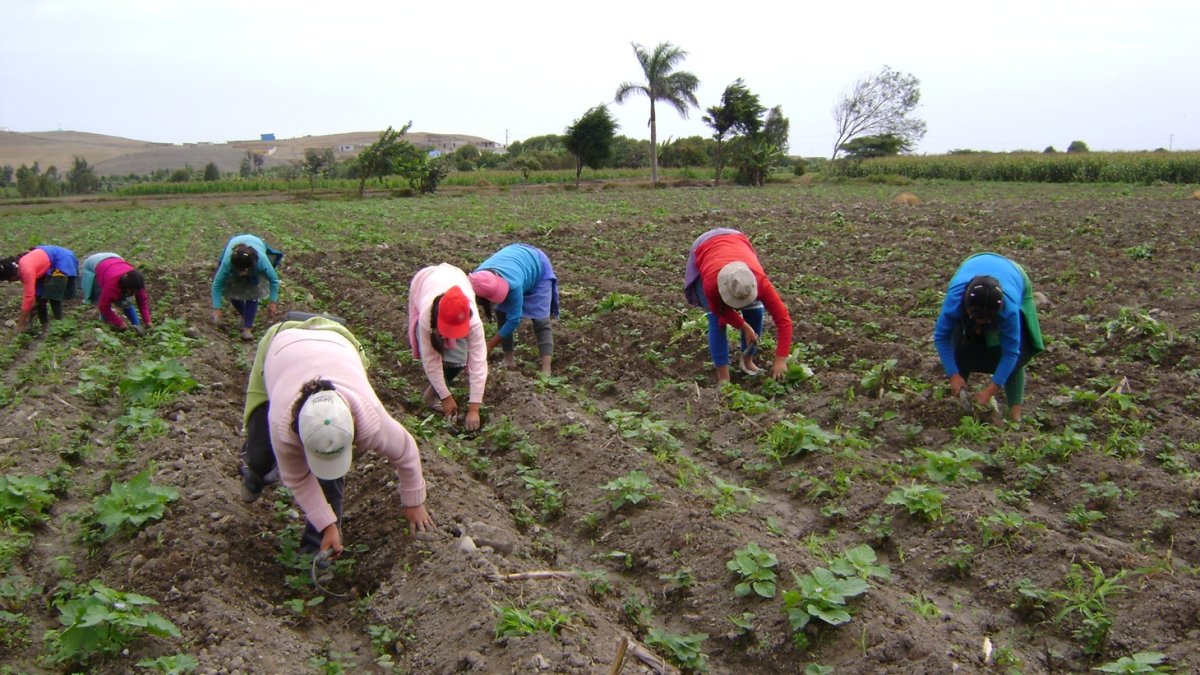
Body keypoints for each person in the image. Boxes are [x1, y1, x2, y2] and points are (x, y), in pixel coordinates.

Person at [238, 316, 434, 558]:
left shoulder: (370, 417)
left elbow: (406, 451)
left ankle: (315, 553)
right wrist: (327, 523)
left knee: (330, 478)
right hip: (281, 346)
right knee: (260, 454)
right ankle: (254, 475)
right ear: (297, 432)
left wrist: (413, 501)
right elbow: (298, 479)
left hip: (340, 342)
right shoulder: (282, 422)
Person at [933, 252, 1044, 422]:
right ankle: (960, 400)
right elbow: (942, 337)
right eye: (976, 317)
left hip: (1014, 274)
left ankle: (1016, 416)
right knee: (961, 344)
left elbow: (1011, 353)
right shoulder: (955, 299)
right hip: (973, 263)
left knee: (1018, 357)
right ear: (967, 307)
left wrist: (989, 391)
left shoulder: (1009, 309)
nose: (982, 322)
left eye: (987, 319)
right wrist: (953, 375)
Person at [684, 228, 793, 384]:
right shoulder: (710, 283)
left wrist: (781, 359)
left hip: (736, 240)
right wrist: (743, 326)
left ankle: (748, 360)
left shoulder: (759, 281)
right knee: (716, 322)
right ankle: (723, 377)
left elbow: (784, 320)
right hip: (705, 246)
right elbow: (720, 312)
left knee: (755, 312)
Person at [407, 263, 488, 431]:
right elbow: (431, 360)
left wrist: (474, 408)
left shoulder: (474, 322)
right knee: (436, 351)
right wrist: (445, 397)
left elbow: (478, 363)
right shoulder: (427, 315)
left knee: (457, 361)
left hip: (455, 279)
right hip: (427, 282)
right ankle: (434, 394)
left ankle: (431, 393)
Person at [468, 243, 560, 375]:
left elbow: (513, 320)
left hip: (537, 266)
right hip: (515, 262)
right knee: (501, 313)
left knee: (541, 322)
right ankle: (509, 359)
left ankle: (546, 370)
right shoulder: (477, 279)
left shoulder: (513, 285)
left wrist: (489, 346)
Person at [211, 234, 282, 340]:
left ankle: (247, 328)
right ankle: (244, 314)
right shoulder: (228, 262)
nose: (241, 274)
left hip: (255, 246)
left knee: (253, 295)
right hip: (236, 246)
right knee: (232, 291)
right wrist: (217, 308)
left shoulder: (261, 262)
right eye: (239, 270)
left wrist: (273, 302)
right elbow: (217, 284)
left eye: (244, 271)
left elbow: (274, 281)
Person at [0, 245, 79, 334]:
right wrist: (33, 306)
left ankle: (60, 324)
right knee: (39, 298)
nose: (10, 282)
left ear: (12, 274)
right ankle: (45, 327)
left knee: (53, 293)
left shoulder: (26, 270)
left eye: (9, 279)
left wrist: (21, 323)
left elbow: (28, 298)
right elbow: (32, 296)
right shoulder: (22, 270)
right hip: (44, 268)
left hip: (62, 259)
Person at [81, 252, 152, 334]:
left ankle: (136, 324)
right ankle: (105, 324)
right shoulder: (111, 286)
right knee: (100, 297)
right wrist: (119, 323)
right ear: (126, 286)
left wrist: (147, 321)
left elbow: (142, 301)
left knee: (126, 301)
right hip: (93, 263)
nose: (133, 293)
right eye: (131, 291)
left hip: (115, 259)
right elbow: (103, 306)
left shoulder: (137, 281)